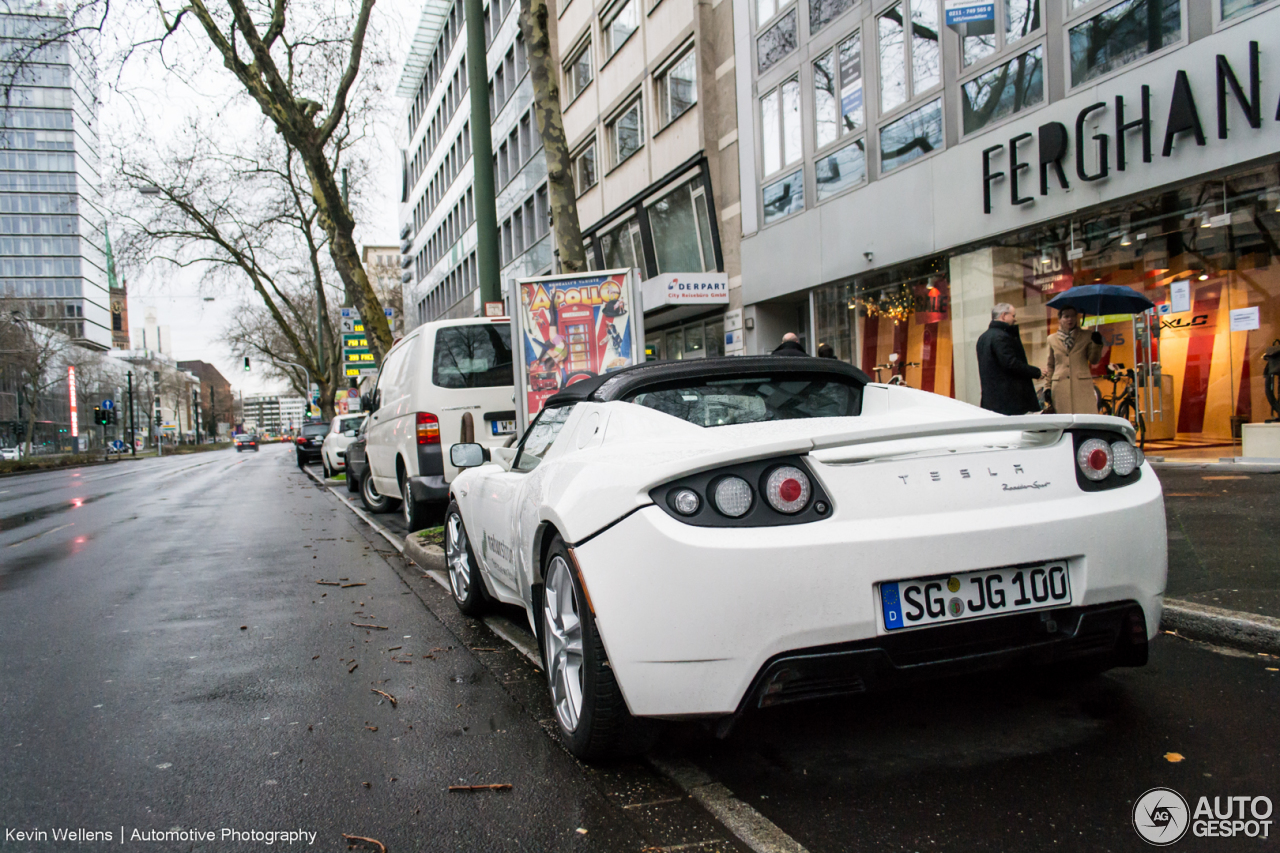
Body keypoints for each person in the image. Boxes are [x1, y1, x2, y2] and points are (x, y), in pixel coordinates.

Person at [976, 303, 1042, 415]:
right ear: (1003, 315)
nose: (1015, 319)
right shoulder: (1002, 337)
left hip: (991, 400)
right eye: (1013, 316)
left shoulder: (983, 338)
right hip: (1009, 400)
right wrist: (1036, 372)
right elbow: (1011, 364)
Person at [1045, 306, 1105, 414]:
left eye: (1073, 316)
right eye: (1066, 316)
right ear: (1060, 320)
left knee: (1084, 422)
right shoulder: (1051, 339)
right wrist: (1047, 387)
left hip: (1082, 387)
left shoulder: (1087, 335)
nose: (1070, 319)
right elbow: (1050, 365)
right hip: (1060, 388)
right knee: (1063, 423)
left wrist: (1097, 344)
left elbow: (1094, 360)